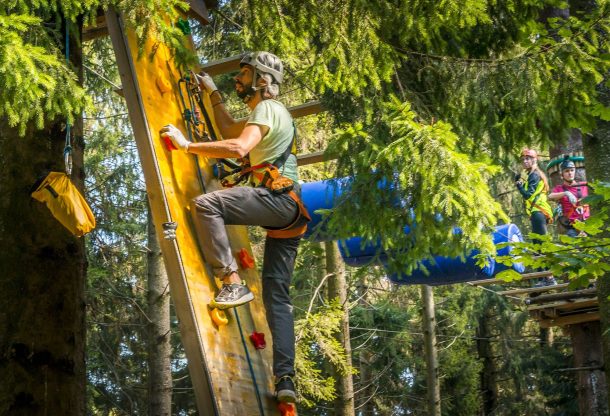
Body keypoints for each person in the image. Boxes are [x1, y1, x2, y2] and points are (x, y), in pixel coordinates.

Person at [161, 51, 309, 403]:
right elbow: (230, 130)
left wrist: (187, 145)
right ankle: (285, 379)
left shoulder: (269, 108)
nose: (238, 80)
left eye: (243, 74)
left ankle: (232, 281)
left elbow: (238, 146)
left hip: (278, 201)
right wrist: (213, 95)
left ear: (261, 80)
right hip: (290, 215)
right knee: (278, 299)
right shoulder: (268, 114)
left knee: (207, 203)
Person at [514, 148, 556, 286]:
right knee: (537, 245)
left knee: (540, 245)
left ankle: (548, 278)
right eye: (523, 159)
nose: (525, 162)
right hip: (537, 213)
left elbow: (528, 194)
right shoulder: (533, 174)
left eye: (528, 159)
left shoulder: (535, 175)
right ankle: (543, 278)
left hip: (538, 213)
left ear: (534, 160)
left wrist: (519, 186)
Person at [548, 156, 589, 237]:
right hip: (572, 227)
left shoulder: (583, 185)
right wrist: (566, 193)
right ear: (562, 174)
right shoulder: (560, 189)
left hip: (588, 224)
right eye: (567, 171)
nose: (570, 173)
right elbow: (550, 197)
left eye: (572, 170)